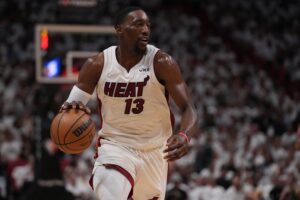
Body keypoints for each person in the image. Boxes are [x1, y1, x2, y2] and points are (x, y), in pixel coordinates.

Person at [60, 6, 198, 200]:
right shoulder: (97, 65)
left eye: (148, 25)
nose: (146, 30)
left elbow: (188, 108)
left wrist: (184, 135)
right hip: (115, 145)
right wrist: (70, 110)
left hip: (155, 151)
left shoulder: (162, 62)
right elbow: (72, 106)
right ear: (119, 29)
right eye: (138, 24)